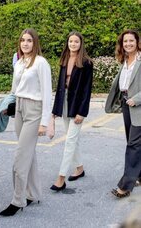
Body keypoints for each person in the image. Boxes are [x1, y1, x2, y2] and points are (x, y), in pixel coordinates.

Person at [0, 28, 52, 216]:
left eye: (29, 40)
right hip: (20, 108)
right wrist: (9, 107)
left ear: (35, 42)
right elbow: (15, 89)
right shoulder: (19, 62)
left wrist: (45, 122)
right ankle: (33, 193)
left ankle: (18, 200)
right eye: (23, 40)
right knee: (29, 154)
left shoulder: (41, 63)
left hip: (34, 110)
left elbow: (47, 93)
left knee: (19, 158)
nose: (25, 43)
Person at [50, 31, 93, 192]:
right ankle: (80, 168)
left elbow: (87, 90)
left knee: (69, 141)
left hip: (77, 105)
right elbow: (60, 86)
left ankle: (61, 178)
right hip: (64, 102)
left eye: (76, 42)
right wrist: (55, 110)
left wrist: (82, 112)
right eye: (70, 41)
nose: (73, 44)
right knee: (73, 139)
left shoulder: (87, 63)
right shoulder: (64, 59)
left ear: (81, 44)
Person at [105, 29, 141, 198]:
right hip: (126, 104)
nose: (128, 44)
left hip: (138, 105)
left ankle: (125, 186)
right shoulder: (125, 60)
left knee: (133, 145)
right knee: (132, 141)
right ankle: (139, 175)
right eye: (125, 41)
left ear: (137, 42)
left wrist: (137, 99)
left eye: (131, 41)